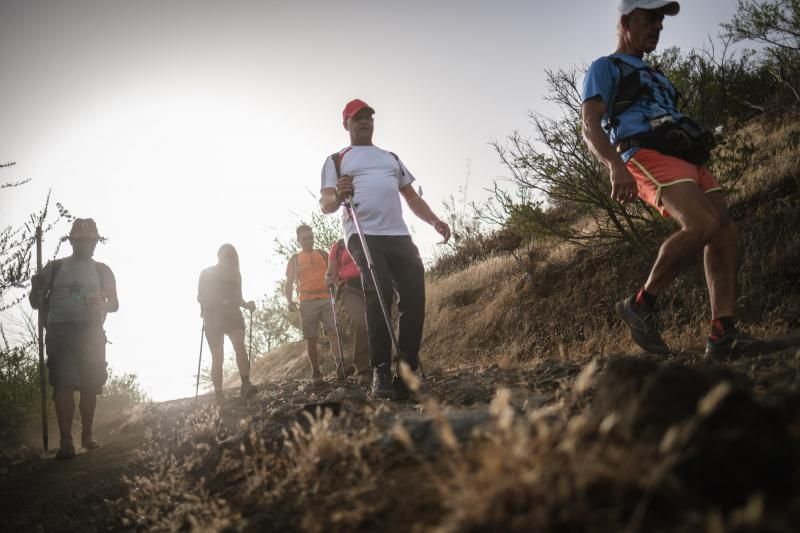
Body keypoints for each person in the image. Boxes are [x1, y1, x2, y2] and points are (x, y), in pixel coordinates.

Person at [581, 0, 770, 356]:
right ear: (625, 22)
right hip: (645, 151)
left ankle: (722, 332)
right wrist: (614, 165)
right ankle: (641, 303)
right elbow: (590, 125)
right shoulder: (605, 67)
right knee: (701, 224)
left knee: (724, 228)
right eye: (650, 19)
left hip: (685, 154)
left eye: (660, 21)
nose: (657, 27)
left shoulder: (657, 74)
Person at [319, 98, 451, 399]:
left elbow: (411, 198)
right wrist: (339, 195)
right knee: (378, 291)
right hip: (362, 232)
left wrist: (434, 220)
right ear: (347, 124)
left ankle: (406, 371)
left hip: (398, 235)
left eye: (369, 118)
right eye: (357, 118)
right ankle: (380, 371)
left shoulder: (391, 158)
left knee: (415, 294)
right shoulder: (337, 160)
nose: (365, 122)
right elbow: (326, 203)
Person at [29, 218, 119, 459]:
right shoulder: (54, 267)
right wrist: (34, 288)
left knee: (90, 385)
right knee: (64, 384)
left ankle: (87, 436)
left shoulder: (103, 270)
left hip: (91, 331)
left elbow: (115, 304)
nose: (87, 245)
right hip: (60, 332)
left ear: (96, 242)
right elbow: (36, 302)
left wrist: (103, 303)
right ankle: (66, 441)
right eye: (81, 240)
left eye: (91, 240)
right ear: (71, 241)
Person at [197, 244, 257, 402]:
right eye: (226, 256)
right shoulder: (206, 273)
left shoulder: (236, 274)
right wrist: (207, 304)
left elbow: (239, 298)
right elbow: (200, 296)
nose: (229, 258)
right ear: (219, 256)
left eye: (232, 256)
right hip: (213, 317)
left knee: (239, 345)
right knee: (218, 357)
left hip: (232, 314)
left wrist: (247, 305)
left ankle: (245, 384)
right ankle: (218, 394)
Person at [284, 225, 343, 385]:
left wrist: (339, 291)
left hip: (326, 297)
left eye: (310, 237)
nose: (308, 241)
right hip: (306, 301)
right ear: (299, 240)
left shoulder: (323, 254)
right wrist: (289, 301)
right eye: (305, 239)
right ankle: (316, 373)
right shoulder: (295, 259)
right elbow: (288, 283)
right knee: (311, 338)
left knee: (333, 332)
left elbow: (333, 274)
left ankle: (340, 366)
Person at [325, 238, 370, 385]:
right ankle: (363, 369)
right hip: (349, 288)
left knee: (379, 322)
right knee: (359, 322)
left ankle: (382, 365)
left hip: (372, 283)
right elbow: (331, 270)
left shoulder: (368, 235)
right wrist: (329, 277)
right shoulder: (338, 247)